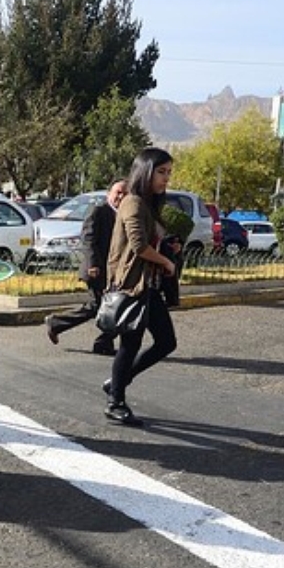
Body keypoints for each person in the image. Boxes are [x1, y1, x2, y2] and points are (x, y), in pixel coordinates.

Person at [103, 147, 180, 426]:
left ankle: (117, 383)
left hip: (147, 285)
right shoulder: (133, 202)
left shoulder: (147, 204)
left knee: (166, 342)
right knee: (130, 344)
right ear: (145, 170)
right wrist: (166, 263)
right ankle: (116, 401)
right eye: (161, 172)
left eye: (169, 172)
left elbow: (150, 242)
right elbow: (138, 246)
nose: (166, 178)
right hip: (131, 285)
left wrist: (169, 247)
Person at [45, 180, 126, 355]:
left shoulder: (124, 214)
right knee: (101, 306)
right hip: (96, 269)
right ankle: (57, 323)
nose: (121, 196)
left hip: (114, 271)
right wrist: (92, 264)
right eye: (118, 192)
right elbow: (88, 239)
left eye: (125, 193)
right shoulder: (99, 211)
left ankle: (102, 343)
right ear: (109, 194)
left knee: (110, 306)